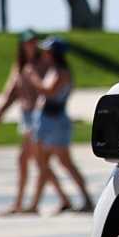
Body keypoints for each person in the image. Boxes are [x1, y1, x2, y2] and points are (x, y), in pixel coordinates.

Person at [0, 30, 61, 216]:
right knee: (37, 161)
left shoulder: (42, 64)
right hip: (26, 117)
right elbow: (10, 93)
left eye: (34, 41)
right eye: (28, 42)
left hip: (39, 117)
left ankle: (24, 204)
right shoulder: (19, 66)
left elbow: (51, 89)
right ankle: (59, 198)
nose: (31, 45)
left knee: (30, 160)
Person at [33, 37, 93, 214]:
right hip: (47, 120)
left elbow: (48, 91)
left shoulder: (61, 72)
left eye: (46, 51)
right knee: (43, 163)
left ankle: (86, 198)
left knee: (65, 162)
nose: (43, 54)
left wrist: (32, 78)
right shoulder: (55, 70)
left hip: (55, 121)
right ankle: (61, 199)